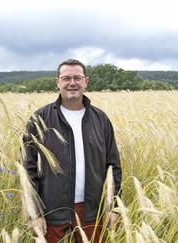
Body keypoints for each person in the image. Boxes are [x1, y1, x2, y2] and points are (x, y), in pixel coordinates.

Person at [22, 59, 122, 243]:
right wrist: (34, 213)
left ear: (86, 81)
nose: (72, 83)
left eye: (78, 78)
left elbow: (113, 166)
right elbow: (28, 170)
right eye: (66, 78)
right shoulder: (40, 119)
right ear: (57, 82)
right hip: (50, 211)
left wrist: (113, 207)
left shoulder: (101, 120)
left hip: (92, 210)